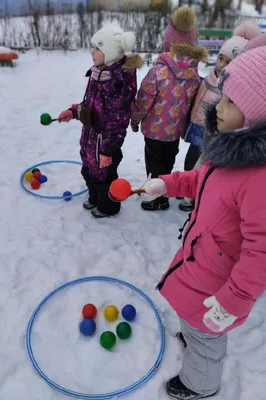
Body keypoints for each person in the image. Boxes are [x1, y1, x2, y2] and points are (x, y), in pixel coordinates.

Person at [142, 46, 266, 399]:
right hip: (201, 260)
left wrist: (233, 302)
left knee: (208, 338)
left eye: (230, 101)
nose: (218, 106)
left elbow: (261, 253)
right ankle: (195, 332)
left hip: (219, 284)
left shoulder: (258, 179)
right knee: (195, 319)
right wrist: (167, 182)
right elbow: (200, 181)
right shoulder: (227, 151)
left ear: (255, 117)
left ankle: (201, 382)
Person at [58, 23, 143, 218]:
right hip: (89, 137)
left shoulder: (119, 81)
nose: (92, 52)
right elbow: (89, 104)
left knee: (104, 177)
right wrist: (73, 111)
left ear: (111, 52)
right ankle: (95, 197)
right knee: (88, 170)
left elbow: (118, 121)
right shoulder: (98, 72)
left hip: (104, 143)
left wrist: (108, 150)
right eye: (92, 46)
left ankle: (108, 207)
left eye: (98, 47)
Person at [130, 7, 207, 211]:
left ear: (168, 44)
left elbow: (143, 100)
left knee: (154, 163)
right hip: (174, 132)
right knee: (167, 161)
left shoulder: (158, 71)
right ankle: (166, 189)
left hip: (154, 131)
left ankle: (157, 198)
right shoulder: (193, 74)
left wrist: (136, 119)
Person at [179, 21, 261, 212]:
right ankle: (188, 188)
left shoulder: (233, 87)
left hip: (216, 131)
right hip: (197, 125)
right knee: (191, 160)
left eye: (229, 61)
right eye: (221, 58)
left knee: (202, 163)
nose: (222, 65)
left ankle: (194, 195)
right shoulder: (209, 76)